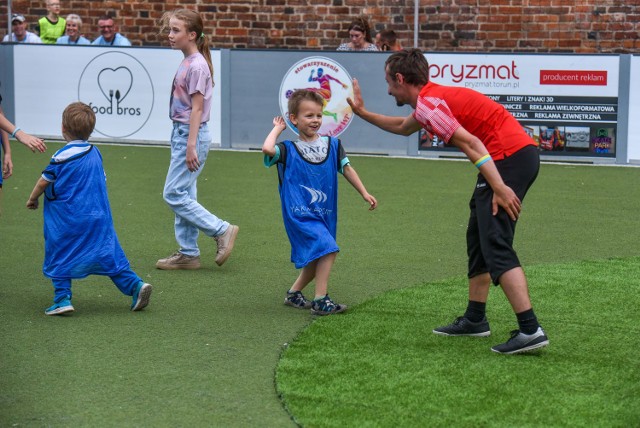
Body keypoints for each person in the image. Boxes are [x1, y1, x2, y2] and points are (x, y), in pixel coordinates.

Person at [347, 49, 548, 354]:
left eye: (389, 82)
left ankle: (530, 329)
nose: (388, 89)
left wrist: (499, 186)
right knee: (478, 235)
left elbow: (471, 143)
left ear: (401, 79)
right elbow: (403, 128)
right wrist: (362, 114)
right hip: (512, 156)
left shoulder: (429, 104)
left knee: (495, 241)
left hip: (508, 158)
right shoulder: (430, 99)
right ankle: (475, 319)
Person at [26, 102, 152, 315]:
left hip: (68, 219)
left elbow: (44, 181)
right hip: (97, 217)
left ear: (62, 128)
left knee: (60, 251)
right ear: (91, 130)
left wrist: (32, 199)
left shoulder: (61, 156)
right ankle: (135, 286)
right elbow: (101, 180)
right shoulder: (95, 153)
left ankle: (62, 298)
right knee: (107, 254)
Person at [262, 90, 377, 315]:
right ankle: (320, 300)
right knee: (328, 249)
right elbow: (267, 149)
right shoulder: (288, 149)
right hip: (299, 213)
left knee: (318, 255)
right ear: (294, 119)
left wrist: (364, 192)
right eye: (308, 116)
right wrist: (278, 128)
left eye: (318, 115)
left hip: (324, 212)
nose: (315, 120)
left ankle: (294, 294)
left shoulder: (332, 145)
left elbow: (346, 168)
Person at [156, 9, 238, 270]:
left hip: (190, 136)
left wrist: (191, 145)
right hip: (182, 134)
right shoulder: (190, 61)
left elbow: (198, 109)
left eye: (175, 30)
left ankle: (221, 229)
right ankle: (189, 253)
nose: (170, 35)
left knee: (173, 193)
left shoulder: (198, 65)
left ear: (192, 35)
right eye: (170, 29)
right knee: (185, 193)